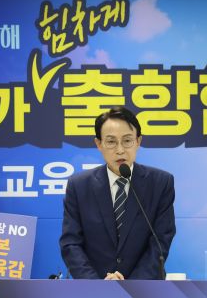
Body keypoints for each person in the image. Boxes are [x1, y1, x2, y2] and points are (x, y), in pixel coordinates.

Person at [60, 106, 176, 280]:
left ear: (138, 141)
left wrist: (130, 286)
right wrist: (96, 284)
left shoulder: (160, 183)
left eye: (127, 140)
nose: (120, 150)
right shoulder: (79, 186)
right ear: (99, 144)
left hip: (145, 288)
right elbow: (71, 243)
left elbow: (160, 241)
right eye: (111, 142)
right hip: (93, 289)